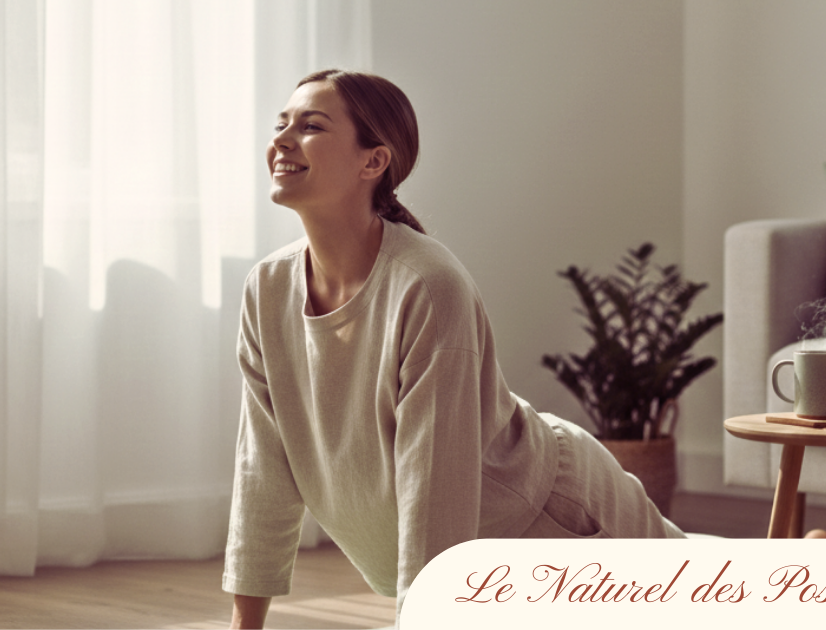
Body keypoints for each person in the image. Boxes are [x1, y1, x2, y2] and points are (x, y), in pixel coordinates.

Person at [223, 69, 685, 629]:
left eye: (311, 125)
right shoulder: (268, 288)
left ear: (374, 162)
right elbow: (262, 473)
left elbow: (434, 496)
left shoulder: (426, 284)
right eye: (281, 124)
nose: (283, 139)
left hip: (553, 523)